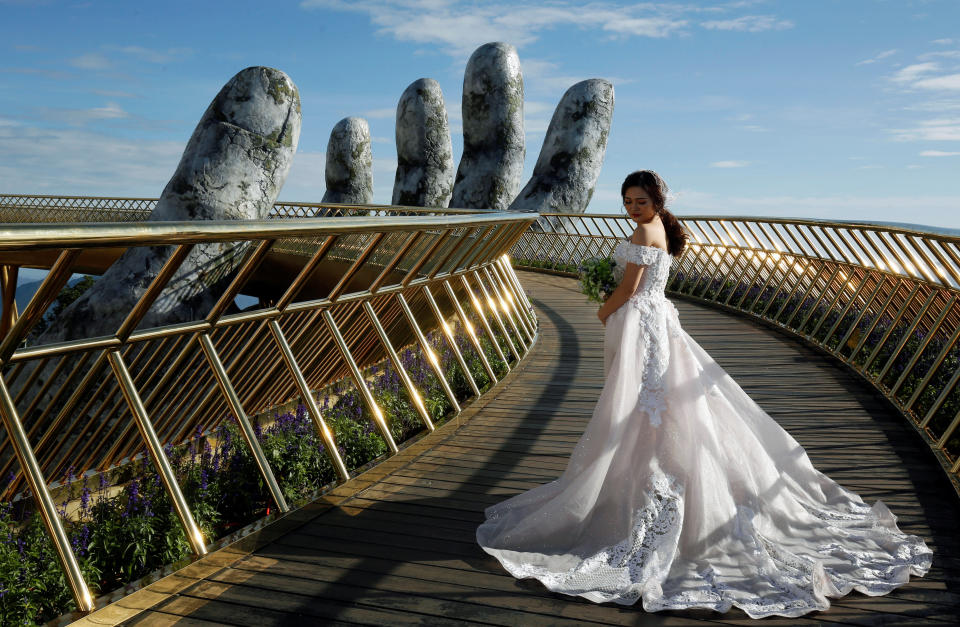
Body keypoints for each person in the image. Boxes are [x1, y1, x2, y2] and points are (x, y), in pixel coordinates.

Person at [475, 170, 931, 618]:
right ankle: (663, 473)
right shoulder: (658, 230)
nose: (634, 207)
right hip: (658, 321)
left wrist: (602, 309)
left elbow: (630, 287)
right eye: (628, 201)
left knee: (646, 404)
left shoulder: (644, 234)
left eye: (640, 200)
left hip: (642, 322)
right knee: (661, 404)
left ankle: (656, 486)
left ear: (657, 201)